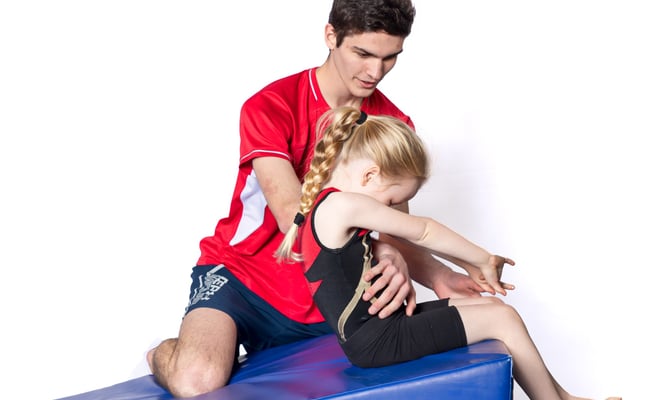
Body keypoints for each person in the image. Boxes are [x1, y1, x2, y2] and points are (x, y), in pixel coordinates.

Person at [147, 1, 510, 397]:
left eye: (390, 58)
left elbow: (394, 230)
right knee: (195, 380)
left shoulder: (393, 124)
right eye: (363, 54)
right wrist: (391, 247)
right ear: (331, 36)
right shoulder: (270, 106)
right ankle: (161, 354)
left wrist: (435, 273)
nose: (375, 72)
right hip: (242, 280)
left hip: (326, 295)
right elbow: (294, 218)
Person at [277, 106, 621, 400]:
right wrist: (481, 259)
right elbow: (422, 230)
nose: (395, 208)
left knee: (494, 308)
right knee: (504, 320)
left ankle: (562, 395)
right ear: (369, 175)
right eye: (393, 199)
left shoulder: (331, 205)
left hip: (381, 329)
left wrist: (462, 266)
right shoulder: (342, 205)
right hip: (376, 341)